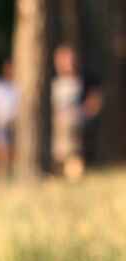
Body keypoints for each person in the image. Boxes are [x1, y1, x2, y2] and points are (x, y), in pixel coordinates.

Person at [51, 45, 103, 180]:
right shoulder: (52, 80)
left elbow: (94, 101)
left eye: (70, 59)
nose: (68, 63)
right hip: (56, 128)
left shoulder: (85, 79)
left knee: (73, 155)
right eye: (63, 59)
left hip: (76, 126)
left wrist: (83, 114)